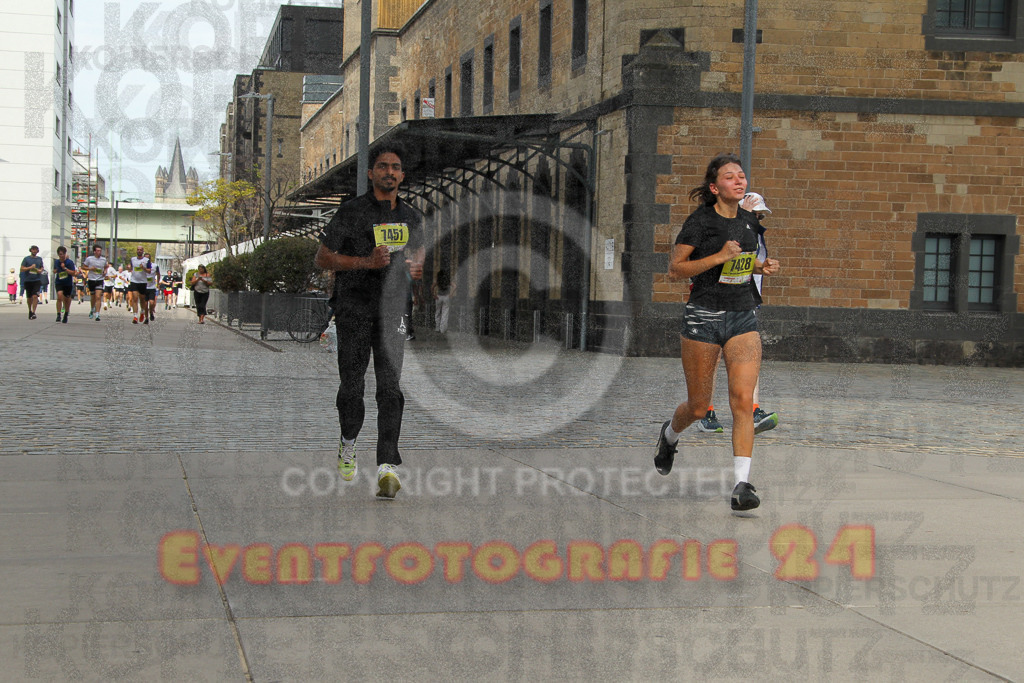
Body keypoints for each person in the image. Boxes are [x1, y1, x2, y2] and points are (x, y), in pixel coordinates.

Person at [653, 153, 780, 512]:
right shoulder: (700, 223)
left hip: (742, 316)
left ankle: (742, 485)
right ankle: (669, 436)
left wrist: (761, 265)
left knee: (742, 402)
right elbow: (676, 269)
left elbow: (741, 260)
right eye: (730, 177)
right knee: (697, 406)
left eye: (741, 176)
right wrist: (718, 257)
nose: (739, 181)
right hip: (703, 318)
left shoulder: (750, 222)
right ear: (714, 187)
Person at [313, 143, 425, 499]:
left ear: (402, 175)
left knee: (390, 388)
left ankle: (387, 466)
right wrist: (365, 263)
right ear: (371, 173)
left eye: (395, 167)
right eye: (382, 166)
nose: (389, 172)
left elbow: (418, 257)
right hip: (354, 308)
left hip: (393, 311)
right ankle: (348, 441)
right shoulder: (351, 212)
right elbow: (322, 258)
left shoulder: (411, 217)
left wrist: (416, 269)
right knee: (352, 386)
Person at [697, 191, 780, 435]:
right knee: (713, 358)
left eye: (759, 216)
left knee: (749, 356)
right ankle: (706, 412)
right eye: (753, 214)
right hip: (714, 301)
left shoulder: (754, 235)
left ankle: (753, 411)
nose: (757, 219)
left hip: (744, 302)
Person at [81, 244, 108, 321]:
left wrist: (105, 271)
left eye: (100, 251)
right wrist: (90, 268)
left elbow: (106, 267)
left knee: (98, 296)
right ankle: (92, 308)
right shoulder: (89, 259)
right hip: (91, 280)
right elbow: (83, 267)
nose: (99, 252)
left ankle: (97, 314)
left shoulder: (103, 259)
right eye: (98, 251)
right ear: (94, 251)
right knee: (93, 297)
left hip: (99, 279)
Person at [53, 246, 78, 323]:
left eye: (63, 254)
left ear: (65, 254)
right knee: (59, 296)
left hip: (67, 283)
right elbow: (54, 270)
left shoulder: (69, 262)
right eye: (60, 254)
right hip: (59, 282)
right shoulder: (56, 262)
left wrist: (65, 269)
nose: (61, 256)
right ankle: (58, 314)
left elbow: (73, 273)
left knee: (67, 299)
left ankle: (66, 313)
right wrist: (55, 271)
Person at [127, 245, 152, 324]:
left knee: (142, 300)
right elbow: (130, 268)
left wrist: (143, 268)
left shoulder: (146, 260)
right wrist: (128, 267)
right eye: (138, 249)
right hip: (134, 281)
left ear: (143, 251)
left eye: (141, 250)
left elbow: (149, 271)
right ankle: (135, 316)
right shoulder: (133, 259)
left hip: (143, 282)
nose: (139, 251)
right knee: (134, 298)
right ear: (136, 251)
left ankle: (142, 312)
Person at [20, 245, 44, 319]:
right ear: (30, 250)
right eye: (33, 249)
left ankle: (34, 312)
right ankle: (29, 310)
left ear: (37, 251)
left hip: (36, 280)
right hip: (28, 280)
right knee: (29, 297)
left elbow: (41, 268)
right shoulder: (26, 259)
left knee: (35, 296)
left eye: (36, 250)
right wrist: (30, 267)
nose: (34, 251)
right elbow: (22, 268)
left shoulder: (39, 259)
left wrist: (40, 270)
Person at [432, 268, 455, 333]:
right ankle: (443, 329)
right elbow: (455, 286)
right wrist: (451, 294)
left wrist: (433, 295)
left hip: (438, 297)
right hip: (446, 297)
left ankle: (437, 328)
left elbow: (432, 287)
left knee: (437, 312)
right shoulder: (448, 280)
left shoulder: (438, 280)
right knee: (445, 313)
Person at [144, 254, 159, 321]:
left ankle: (151, 312)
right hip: (144, 287)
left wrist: (158, 283)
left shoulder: (155, 266)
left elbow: (158, 274)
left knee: (152, 302)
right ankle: (146, 318)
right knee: (145, 304)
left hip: (152, 287)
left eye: (148, 258)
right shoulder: (141, 266)